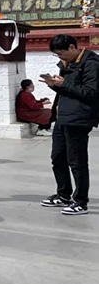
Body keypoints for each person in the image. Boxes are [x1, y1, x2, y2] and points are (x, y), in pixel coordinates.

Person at [39, 34, 99, 215]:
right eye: (56, 55)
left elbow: (90, 92)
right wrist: (54, 85)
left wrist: (64, 84)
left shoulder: (91, 65)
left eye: (61, 53)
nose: (60, 57)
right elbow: (68, 90)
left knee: (77, 161)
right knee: (57, 157)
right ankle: (63, 194)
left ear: (73, 47)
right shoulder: (67, 64)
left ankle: (81, 201)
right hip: (62, 116)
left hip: (79, 118)